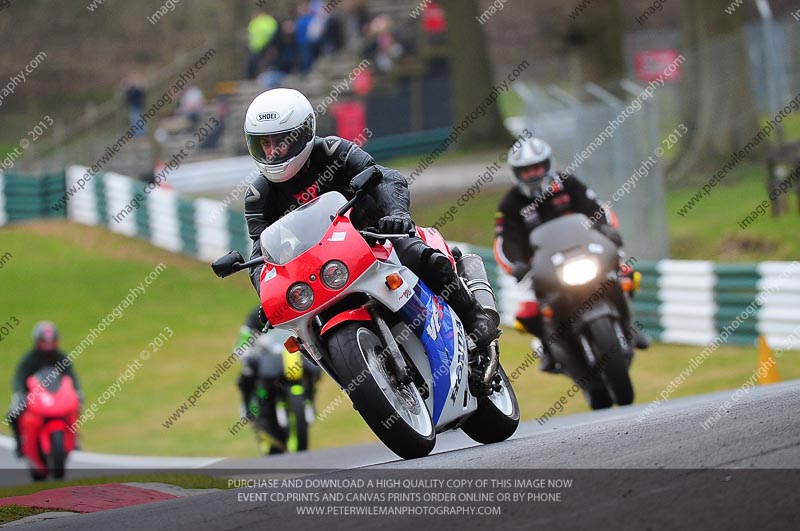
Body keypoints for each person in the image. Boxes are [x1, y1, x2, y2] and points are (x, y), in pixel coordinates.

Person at [242, 88, 499, 393]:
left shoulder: (333, 151)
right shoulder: (259, 196)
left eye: (280, 141)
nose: (272, 152)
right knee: (301, 333)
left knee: (417, 256)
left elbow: (384, 177)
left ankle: (474, 317)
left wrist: (397, 214)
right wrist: (267, 294)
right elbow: (261, 254)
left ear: (304, 133)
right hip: (323, 265)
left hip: (376, 234)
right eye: (265, 144)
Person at [493, 137, 649, 373]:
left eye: (537, 167)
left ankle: (629, 326)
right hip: (540, 267)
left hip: (584, 251)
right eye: (526, 170)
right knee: (526, 312)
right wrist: (516, 265)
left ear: (548, 164)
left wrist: (606, 229)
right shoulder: (510, 203)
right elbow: (505, 241)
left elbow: (595, 207)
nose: (533, 174)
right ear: (516, 173)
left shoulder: (567, 183)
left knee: (628, 274)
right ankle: (547, 346)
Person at [235, 306, 320, 454]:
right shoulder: (257, 315)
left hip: (293, 355)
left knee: (316, 367)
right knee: (247, 374)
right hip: (269, 358)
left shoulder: (295, 307)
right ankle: (248, 408)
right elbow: (244, 337)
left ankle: (310, 401)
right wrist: (246, 352)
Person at [7, 322, 82, 457]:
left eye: (51, 341)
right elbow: (19, 377)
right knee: (12, 414)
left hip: (57, 396)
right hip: (34, 397)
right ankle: (19, 443)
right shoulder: (30, 359)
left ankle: (72, 437)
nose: (48, 345)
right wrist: (20, 393)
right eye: (44, 341)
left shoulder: (61, 357)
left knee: (76, 407)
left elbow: (71, 376)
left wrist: (77, 391)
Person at [246, 9, 279, 79]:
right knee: (253, 63)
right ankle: (252, 77)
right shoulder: (254, 22)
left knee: (268, 62)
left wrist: (269, 43)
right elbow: (251, 33)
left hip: (266, 45)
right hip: (255, 46)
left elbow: (271, 32)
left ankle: (268, 77)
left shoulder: (267, 20)